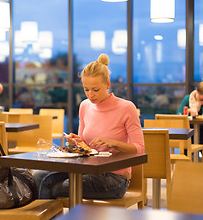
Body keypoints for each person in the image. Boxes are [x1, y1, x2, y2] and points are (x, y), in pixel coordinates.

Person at [32, 54, 145, 199]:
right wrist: (77, 142)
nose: (90, 95)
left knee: (52, 188)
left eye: (96, 89)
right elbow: (86, 147)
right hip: (87, 169)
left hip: (114, 178)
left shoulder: (126, 108)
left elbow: (140, 149)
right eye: (86, 89)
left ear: (108, 85)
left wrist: (114, 143)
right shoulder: (85, 106)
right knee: (38, 176)